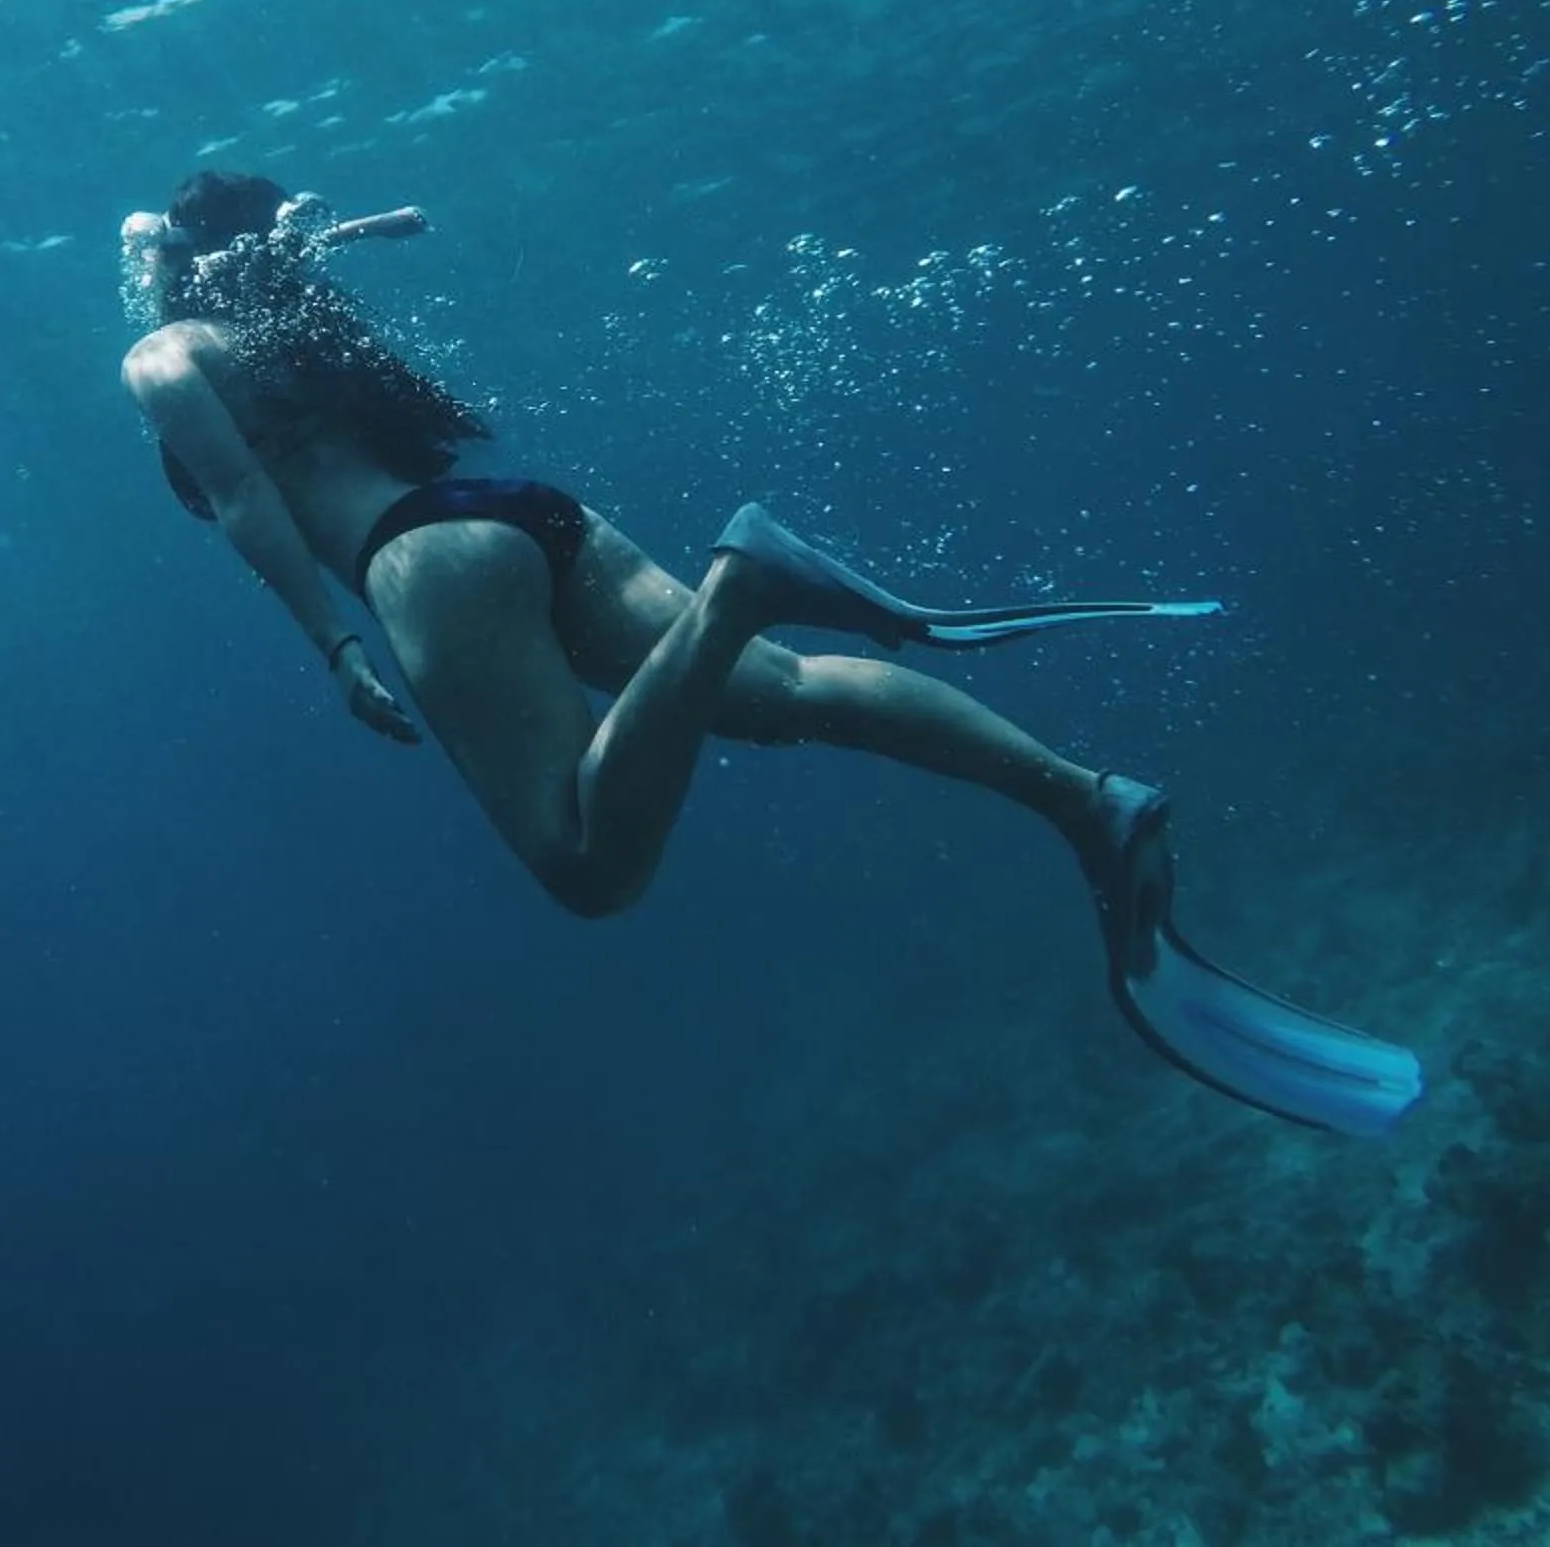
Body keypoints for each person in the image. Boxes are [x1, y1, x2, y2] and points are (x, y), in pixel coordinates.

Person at [120, 171, 1420, 1134]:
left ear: (178, 267)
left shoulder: (173, 349)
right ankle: (1087, 798)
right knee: (790, 695)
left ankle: (744, 585)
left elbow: (243, 499)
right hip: (523, 513)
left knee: (586, 864)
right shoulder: (300, 317)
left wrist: (336, 643)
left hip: (419, 562)